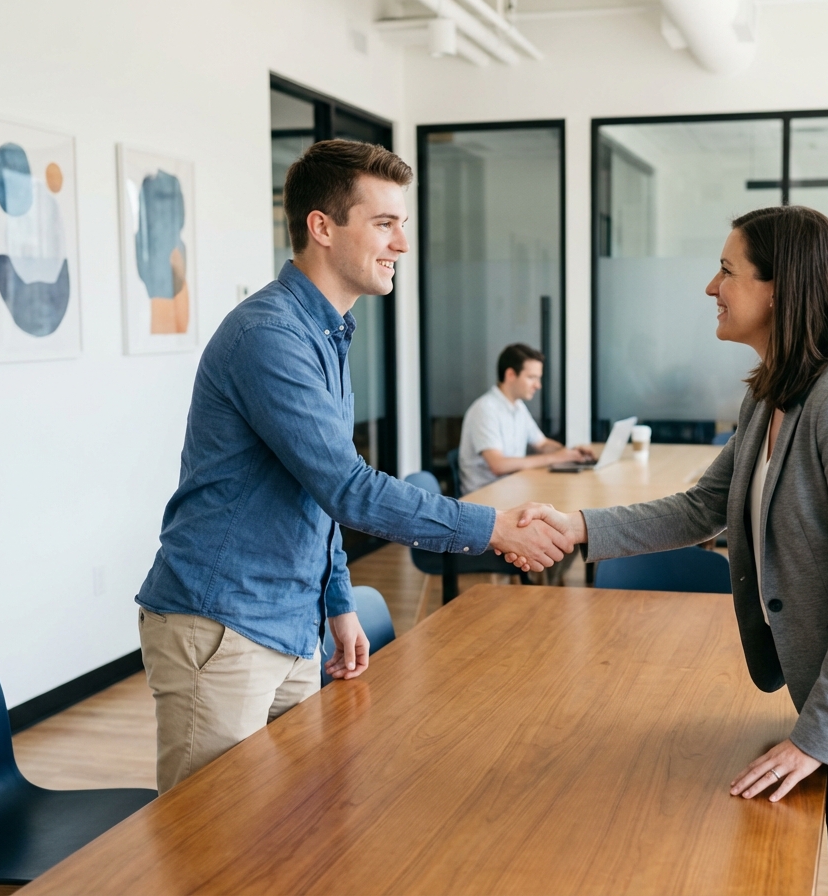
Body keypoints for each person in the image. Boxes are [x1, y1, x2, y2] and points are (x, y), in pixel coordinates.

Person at [512, 206, 828, 895]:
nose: (710, 287)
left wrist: (816, 737)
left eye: (727, 270)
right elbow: (703, 507)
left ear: (780, 288)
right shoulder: (773, 393)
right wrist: (577, 527)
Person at [134, 139, 572, 794]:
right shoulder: (270, 337)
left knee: (290, 831)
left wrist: (336, 599)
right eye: (385, 223)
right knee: (208, 844)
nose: (402, 243)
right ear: (322, 227)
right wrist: (492, 529)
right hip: (221, 625)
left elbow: (317, 492)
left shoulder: (330, 334)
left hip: (290, 623)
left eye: (403, 225)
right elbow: (348, 488)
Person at [457, 343, 592, 497]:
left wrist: (570, 452)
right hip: (486, 498)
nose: (538, 385)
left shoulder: (518, 407)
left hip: (513, 488)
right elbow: (498, 465)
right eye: (531, 377)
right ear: (510, 375)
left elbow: (542, 444)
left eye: (538, 378)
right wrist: (554, 458)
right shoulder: (485, 409)